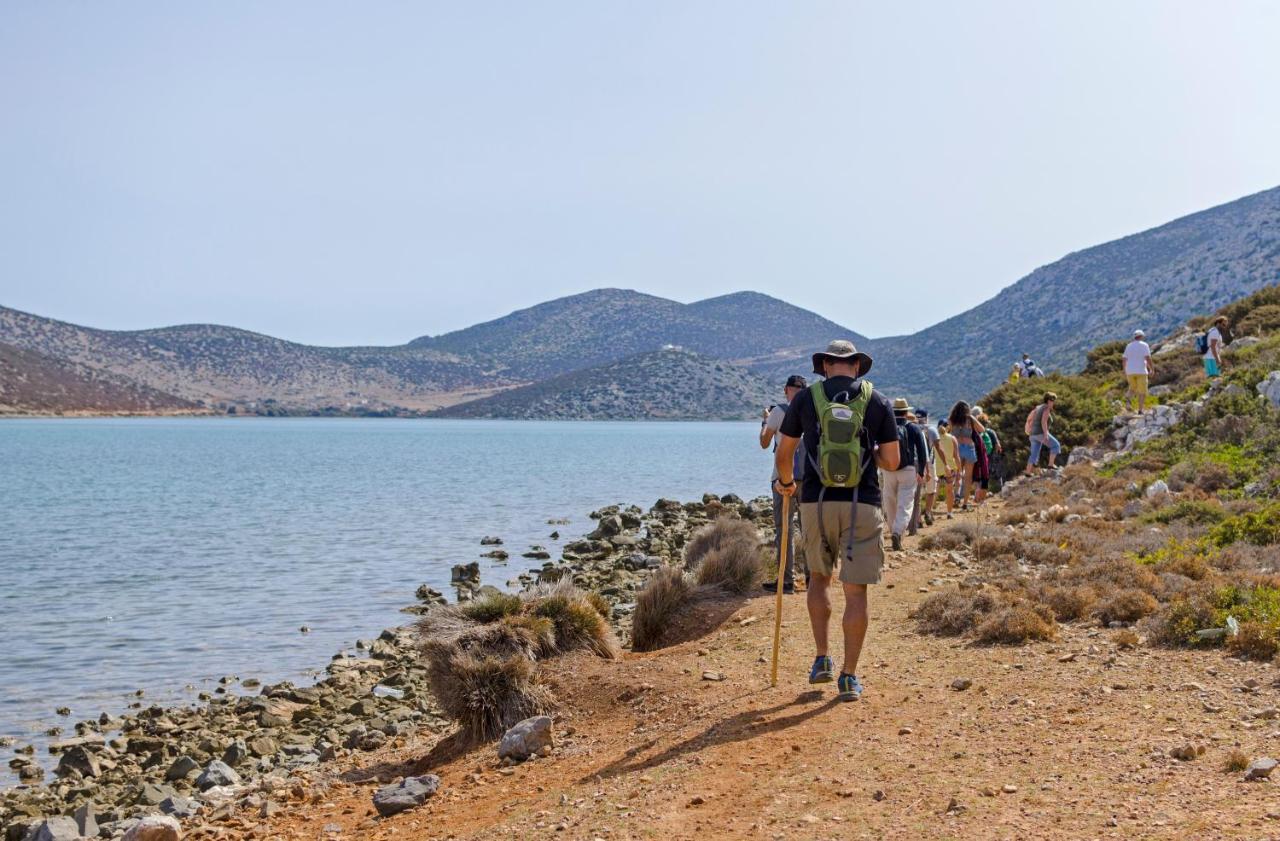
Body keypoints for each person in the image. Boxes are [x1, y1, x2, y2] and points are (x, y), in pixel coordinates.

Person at [774, 340, 899, 702]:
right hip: (863, 503)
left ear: (826, 365)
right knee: (855, 591)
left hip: (816, 502)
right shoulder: (877, 402)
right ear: (856, 366)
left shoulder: (805, 399)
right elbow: (891, 461)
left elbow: (785, 453)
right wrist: (870, 453)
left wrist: (787, 484)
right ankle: (848, 677)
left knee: (818, 579)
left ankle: (822, 658)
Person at [760, 375, 808, 594]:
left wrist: (765, 421)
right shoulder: (812, 411)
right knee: (809, 530)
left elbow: (764, 442)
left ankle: (786, 581)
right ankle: (812, 579)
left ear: (786, 390)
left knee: (784, 530)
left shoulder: (779, 411)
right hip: (808, 478)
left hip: (782, 478)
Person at [881, 398, 927, 551]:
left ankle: (893, 529)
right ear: (907, 412)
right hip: (907, 469)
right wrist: (920, 471)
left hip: (888, 469)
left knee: (890, 501)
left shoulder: (886, 426)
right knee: (905, 503)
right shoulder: (913, 427)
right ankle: (897, 531)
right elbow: (921, 450)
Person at [947, 402, 986, 510]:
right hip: (969, 448)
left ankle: (956, 496)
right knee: (968, 478)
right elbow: (982, 429)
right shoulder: (970, 419)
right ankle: (965, 503)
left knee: (957, 474)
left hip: (957, 448)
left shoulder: (951, 419)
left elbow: (948, 432)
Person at [909, 408, 937, 534]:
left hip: (913, 464)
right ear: (927, 417)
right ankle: (928, 512)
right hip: (928, 463)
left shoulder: (911, 427)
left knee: (917, 494)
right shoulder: (930, 429)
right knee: (931, 491)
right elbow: (936, 448)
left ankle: (918, 519)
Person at [1025, 391, 1062, 473]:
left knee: (1034, 454)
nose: (1054, 403)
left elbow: (1030, 418)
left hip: (1032, 435)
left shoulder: (1038, 407)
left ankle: (1028, 472)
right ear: (1049, 400)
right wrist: (1045, 434)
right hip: (1040, 433)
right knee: (1056, 445)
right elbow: (1043, 421)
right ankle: (1051, 465)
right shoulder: (1046, 407)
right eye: (1053, 401)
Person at [972, 406, 1002, 504]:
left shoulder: (974, 433)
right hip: (990, 458)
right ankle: (1000, 494)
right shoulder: (991, 432)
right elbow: (998, 446)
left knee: (978, 479)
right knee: (995, 476)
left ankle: (977, 497)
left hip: (978, 459)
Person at [1123, 329, 1154, 413]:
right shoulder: (1144, 345)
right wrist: (1151, 369)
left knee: (1132, 388)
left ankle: (1128, 401)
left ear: (1134, 337)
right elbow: (1147, 358)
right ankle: (1140, 410)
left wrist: (1125, 370)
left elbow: (1124, 359)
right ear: (1141, 336)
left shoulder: (1128, 346)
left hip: (1130, 371)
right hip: (1141, 371)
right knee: (1142, 392)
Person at [934, 418, 959, 519]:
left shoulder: (935, 438)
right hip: (950, 468)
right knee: (949, 491)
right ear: (948, 427)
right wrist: (959, 470)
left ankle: (929, 512)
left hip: (938, 468)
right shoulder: (952, 438)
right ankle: (949, 513)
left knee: (934, 491)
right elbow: (956, 456)